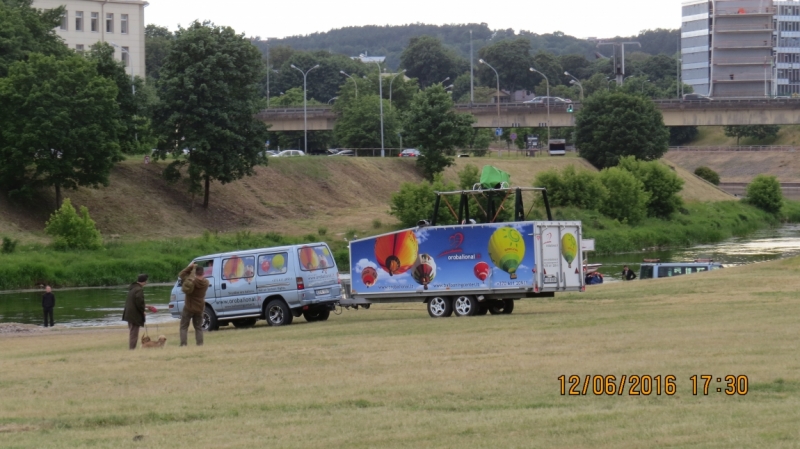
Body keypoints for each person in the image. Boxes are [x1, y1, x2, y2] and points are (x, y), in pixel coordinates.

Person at [179, 262, 210, 346]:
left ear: (195, 273)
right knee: (198, 327)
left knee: (184, 327)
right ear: (203, 273)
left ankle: (183, 344)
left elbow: (181, 274)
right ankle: (200, 344)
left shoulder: (192, 281)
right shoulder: (206, 282)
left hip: (189, 307)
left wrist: (190, 267)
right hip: (200, 307)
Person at [122, 274, 149, 350]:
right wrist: (143, 311)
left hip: (129, 314)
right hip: (134, 315)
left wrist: (146, 306)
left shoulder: (133, 288)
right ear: (143, 282)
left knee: (132, 332)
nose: (146, 283)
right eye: (145, 281)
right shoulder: (139, 290)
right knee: (134, 333)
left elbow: (135, 302)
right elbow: (139, 302)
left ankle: (132, 348)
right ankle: (132, 349)